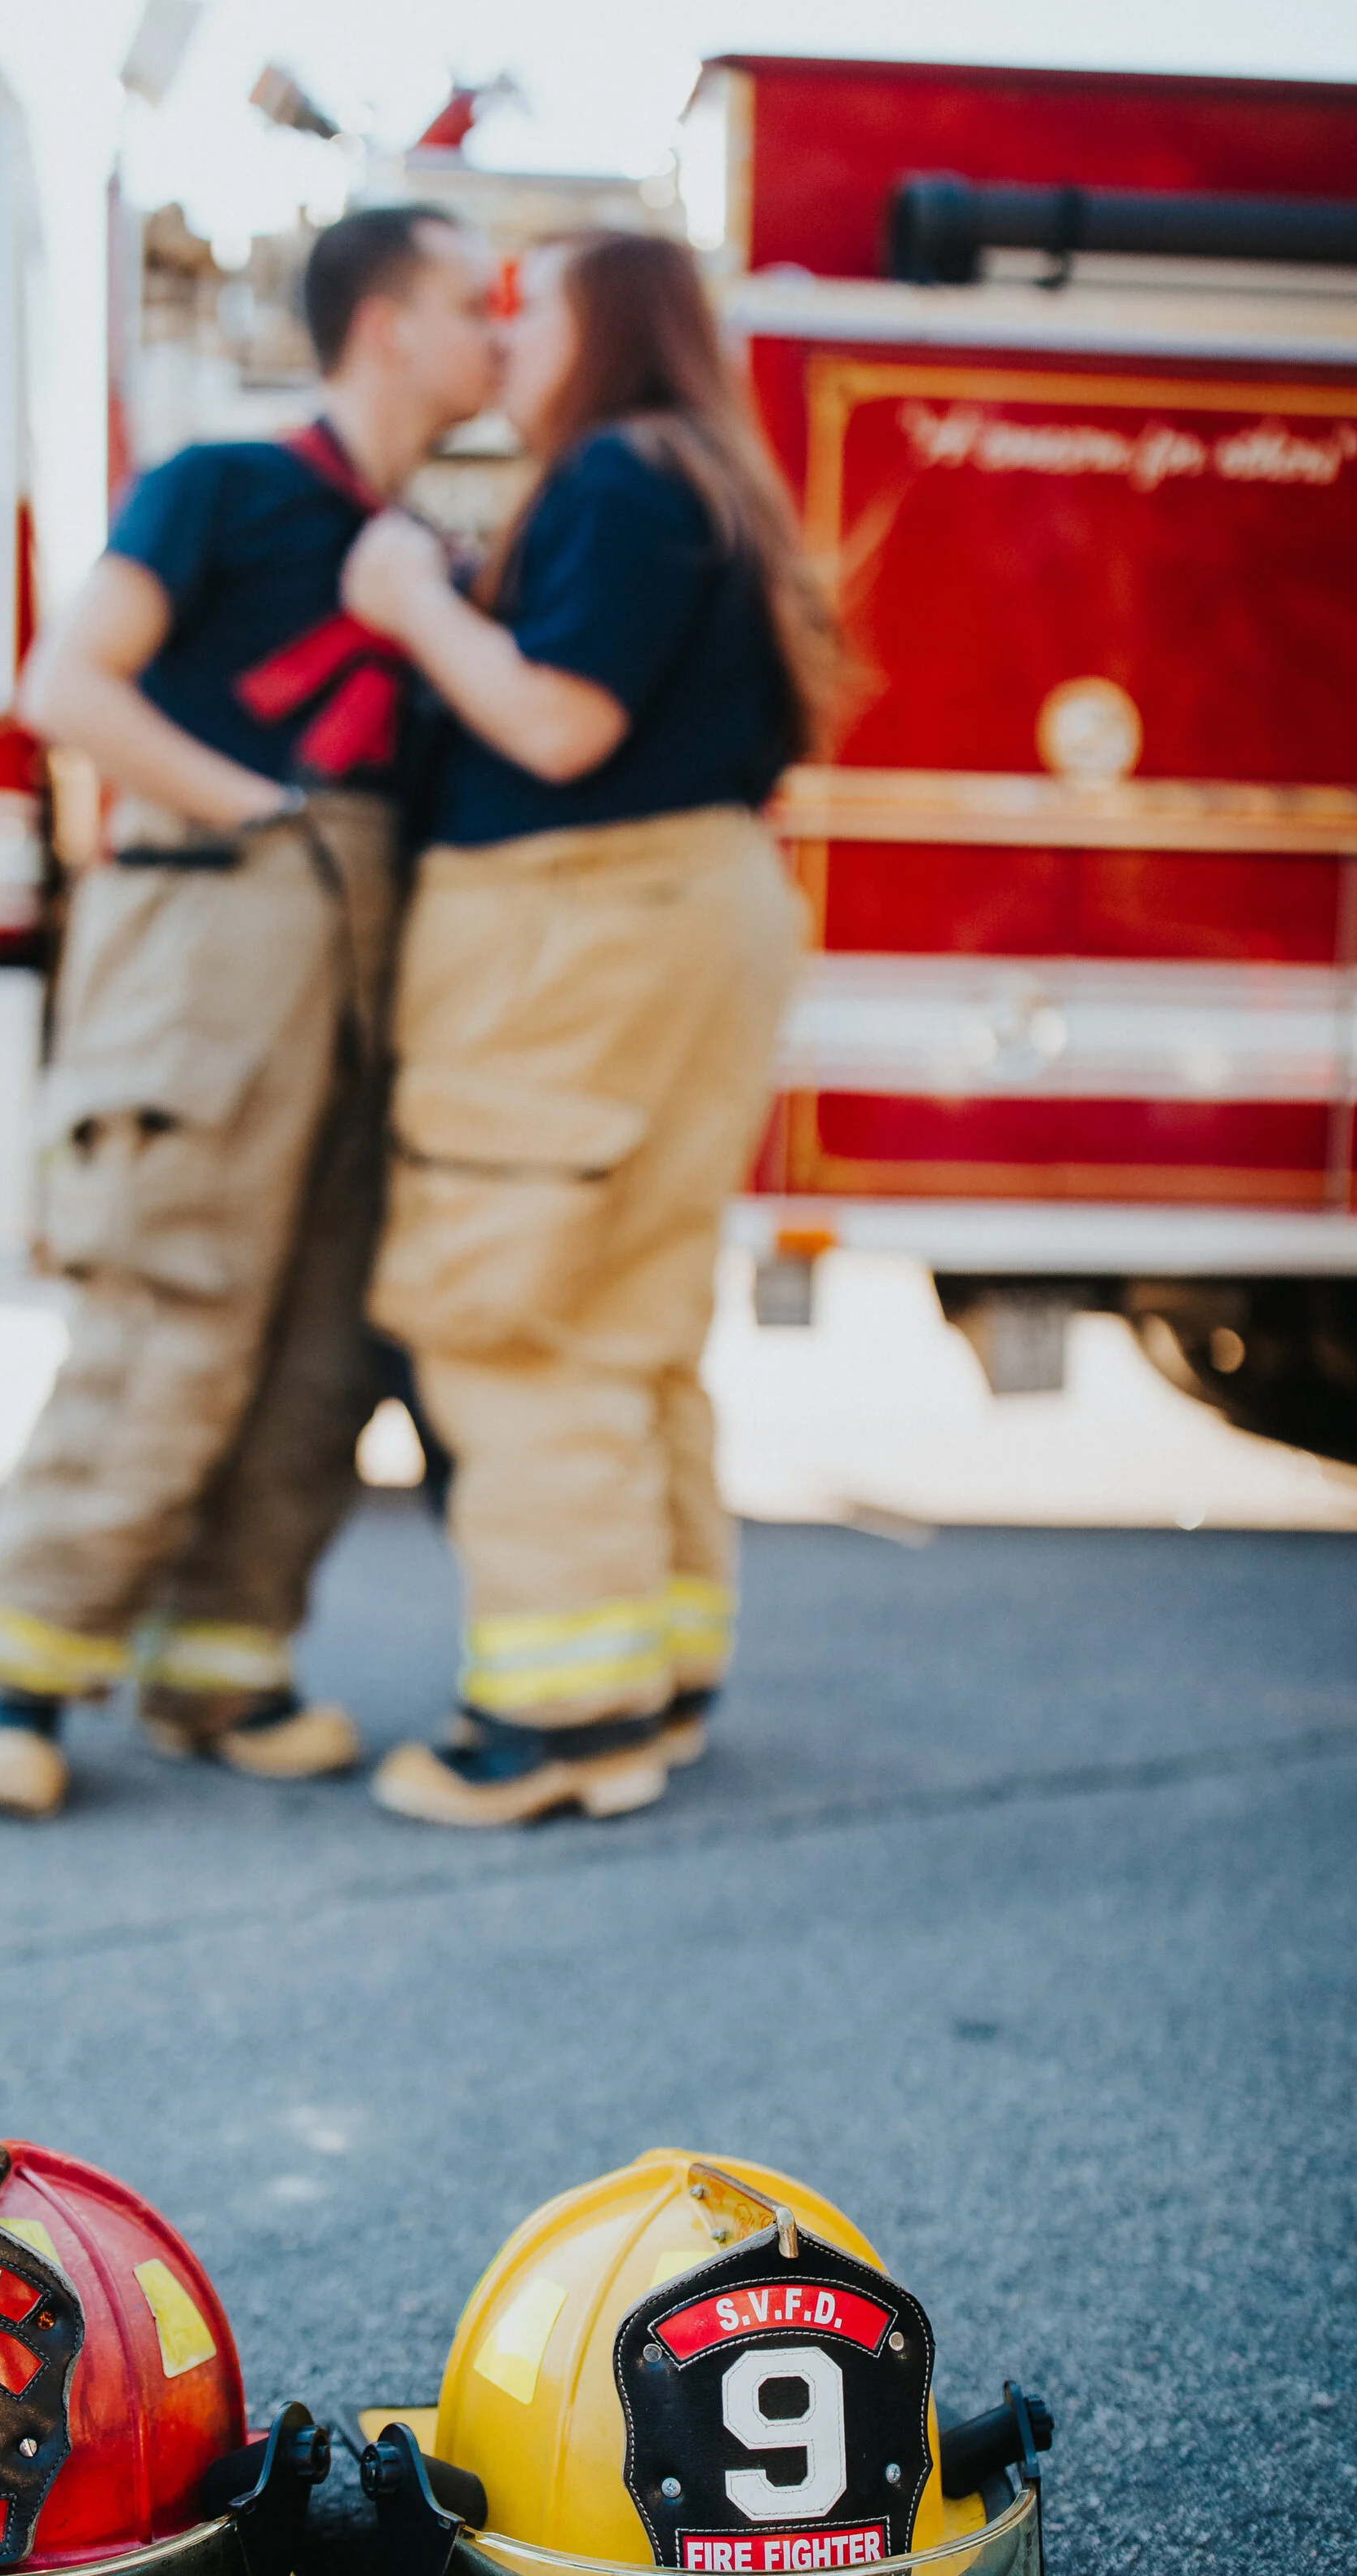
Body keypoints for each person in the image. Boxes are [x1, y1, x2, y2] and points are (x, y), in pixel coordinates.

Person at [0, 205, 497, 1818]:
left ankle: (217, 1671)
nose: (501, 340)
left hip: (362, 988)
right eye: (476, 306)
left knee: (326, 1343)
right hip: (209, 961)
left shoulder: (433, 558)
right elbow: (67, 690)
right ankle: (17, 1680)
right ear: (387, 325)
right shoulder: (220, 489)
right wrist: (261, 821)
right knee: (168, 1317)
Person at [338, 228, 848, 1828]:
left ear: (611, 325)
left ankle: (561, 1726)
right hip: (685, 916)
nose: (503, 337)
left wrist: (413, 600)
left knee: (514, 1319)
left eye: (529, 307)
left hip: (577, 934)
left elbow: (559, 722)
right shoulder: (703, 477)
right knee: (626, 1315)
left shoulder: (622, 477)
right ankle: (656, 1676)